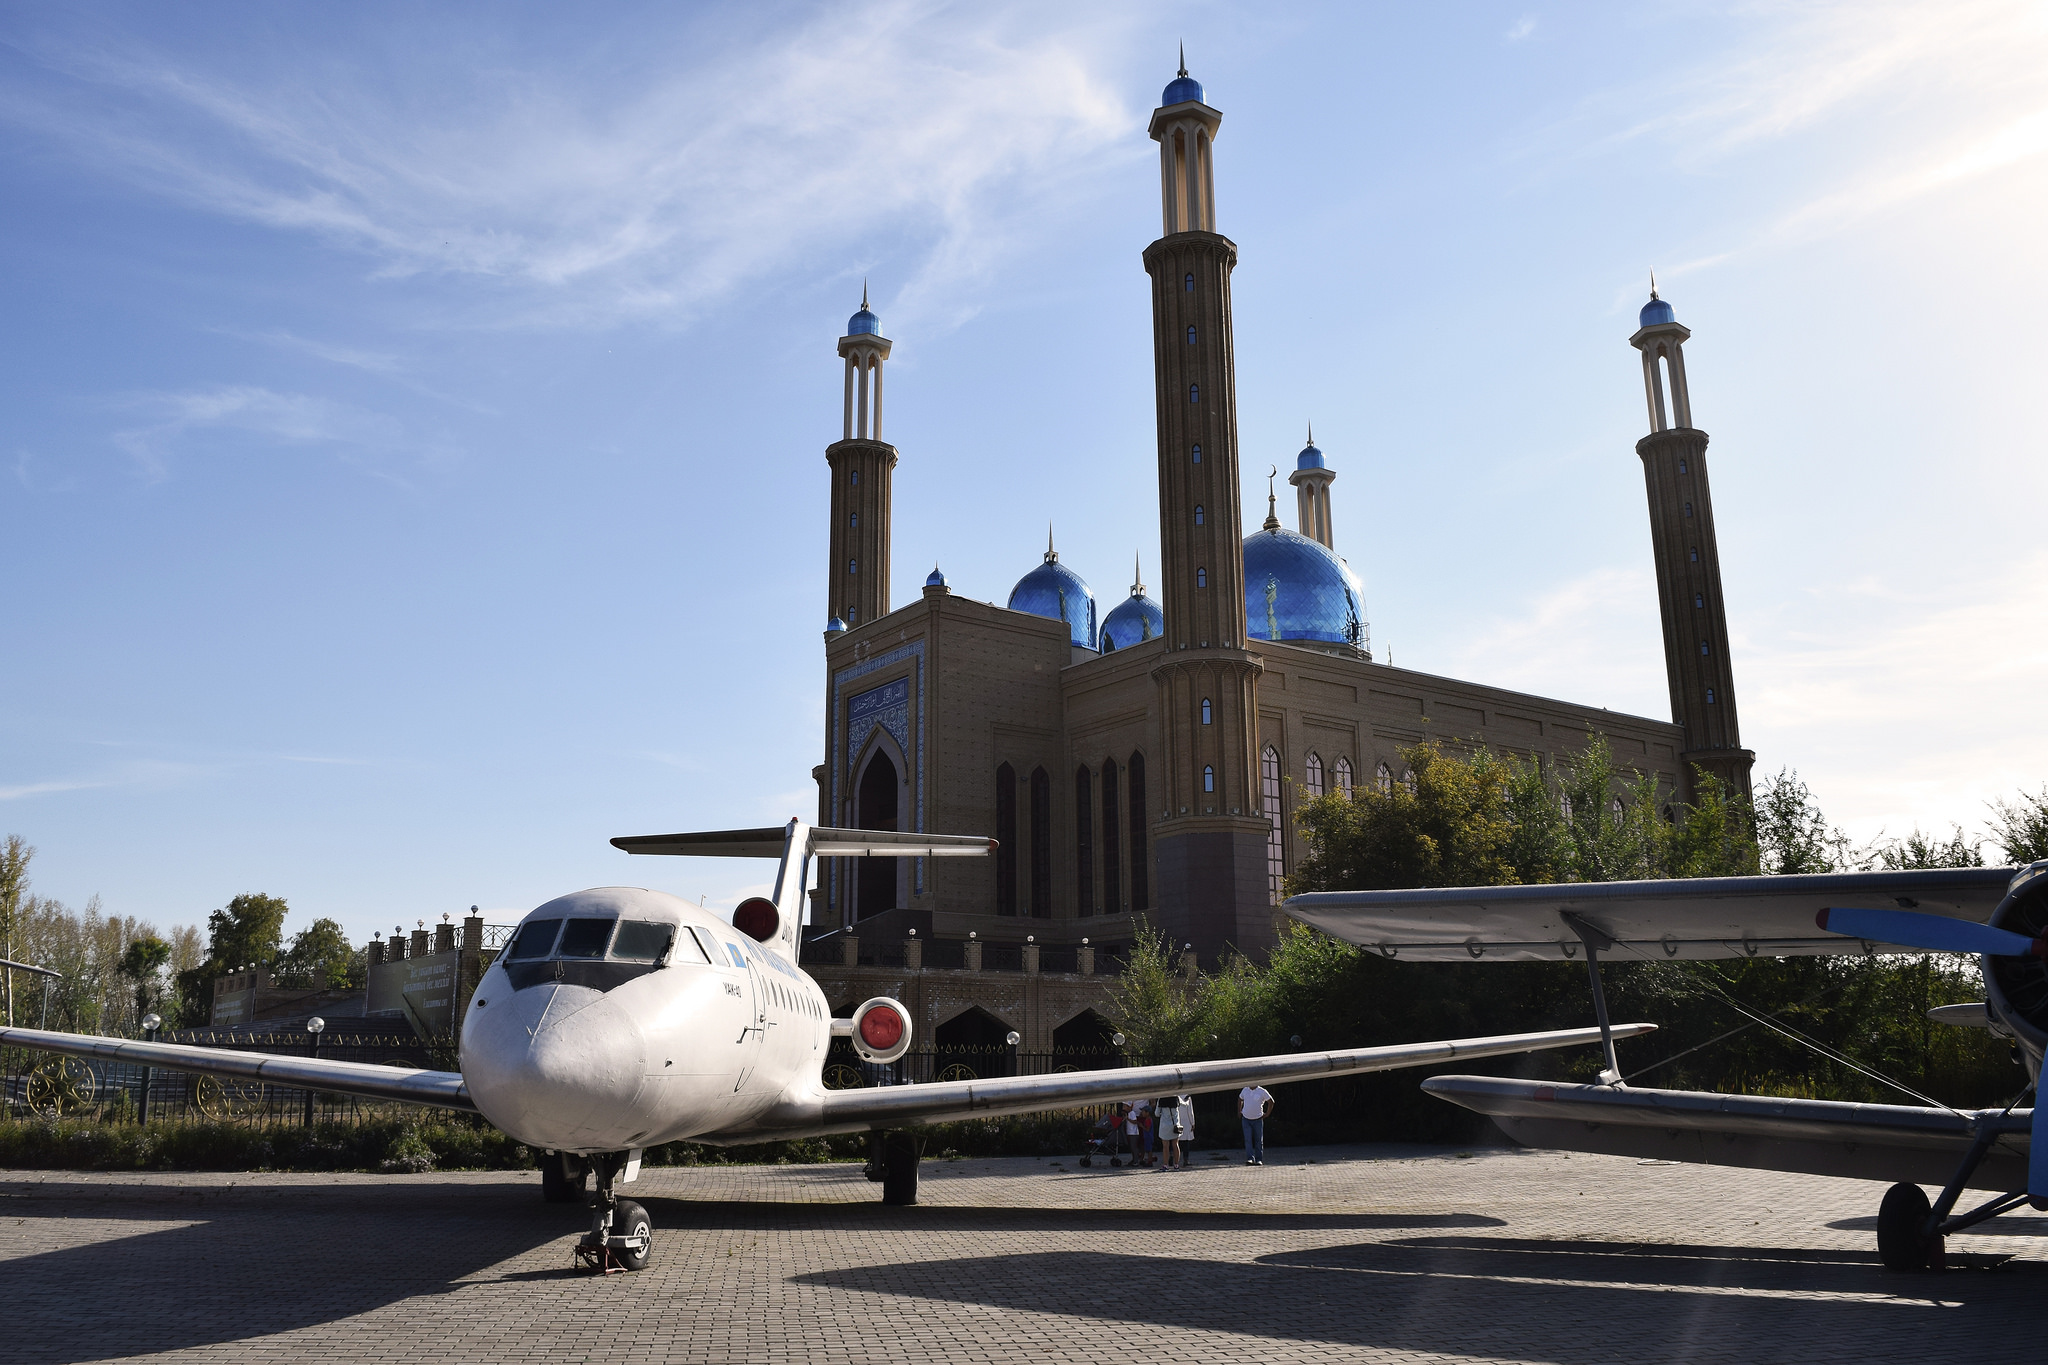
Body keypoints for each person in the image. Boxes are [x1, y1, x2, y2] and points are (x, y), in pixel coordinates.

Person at [1238, 1083, 1274, 1165]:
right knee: (1248, 1139)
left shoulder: (1262, 1091)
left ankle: (1259, 1159)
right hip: (1246, 1118)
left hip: (1257, 1119)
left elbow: (1271, 1101)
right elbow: (1240, 1099)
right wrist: (1239, 1111)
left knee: (1258, 1140)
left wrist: (1267, 1114)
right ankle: (1250, 1158)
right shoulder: (1245, 1089)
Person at [1157, 1093, 1193, 1170]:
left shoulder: (1161, 1098)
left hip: (1164, 1126)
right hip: (1175, 1126)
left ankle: (1165, 1165)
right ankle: (1176, 1165)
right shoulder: (1176, 1097)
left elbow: (1156, 1114)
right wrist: (1187, 1099)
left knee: (1165, 1146)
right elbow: (1185, 1104)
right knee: (1176, 1145)